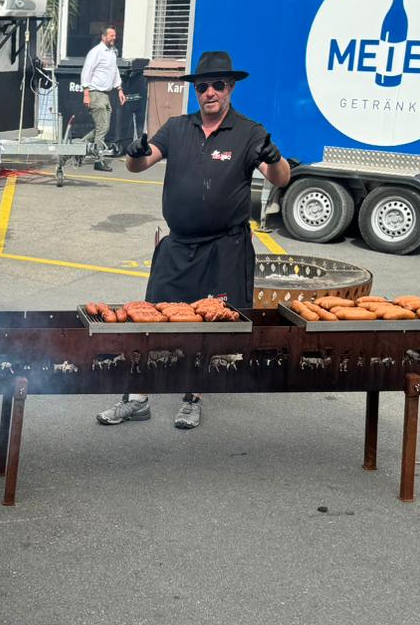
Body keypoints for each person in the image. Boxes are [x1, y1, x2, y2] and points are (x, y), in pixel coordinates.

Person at [97, 50, 292, 430]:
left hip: (225, 248)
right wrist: (133, 154)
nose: (210, 93)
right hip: (179, 244)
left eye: (218, 85)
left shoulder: (249, 132)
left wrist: (276, 157)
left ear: (230, 88)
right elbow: (141, 163)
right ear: (196, 91)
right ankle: (137, 398)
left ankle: (193, 395)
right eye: (203, 87)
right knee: (150, 318)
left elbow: (279, 177)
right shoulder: (176, 127)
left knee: (210, 327)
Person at [80, 26, 127, 172]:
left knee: (102, 128)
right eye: (111, 35)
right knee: (102, 127)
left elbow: (115, 71)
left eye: (115, 35)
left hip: (106, 95)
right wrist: (86, 93)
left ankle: (77, 148)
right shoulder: (96, 52)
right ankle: (98, 160)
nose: (114, 38)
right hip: (95, 93)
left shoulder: (112, 52)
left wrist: (119, 89)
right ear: (103, 37)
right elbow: (86, 72)